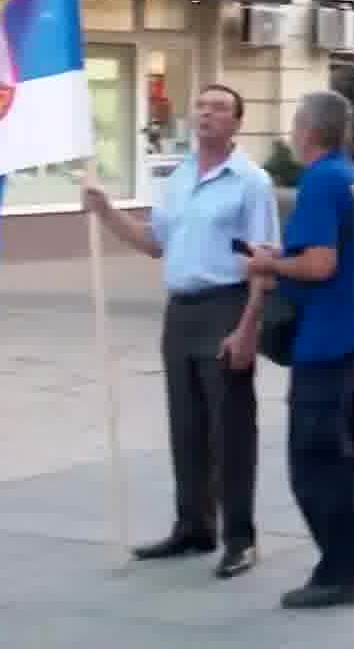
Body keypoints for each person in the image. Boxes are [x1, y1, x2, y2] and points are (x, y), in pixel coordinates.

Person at [83, 84, 277, 579]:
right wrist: (106, 212)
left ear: (236, 123)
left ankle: (240, 538)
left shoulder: (250, 182)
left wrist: (248, 326)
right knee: (186, 426)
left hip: (226, 306)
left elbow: (262, 261)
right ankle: (193, 526)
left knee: (230, 428)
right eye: (202, 106)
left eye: (219, 109)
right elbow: (153, 243)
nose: (207, 114)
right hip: (182, 311)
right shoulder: (180, 175)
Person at [243, 90, 354, 609]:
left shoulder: (321, 181)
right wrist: (285, 254)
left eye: (293, 125)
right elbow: (338, 253)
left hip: (325, 340)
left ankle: (338, 572)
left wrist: (268, 266)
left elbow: (321, 264)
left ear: (306, 132)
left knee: (317, 456)